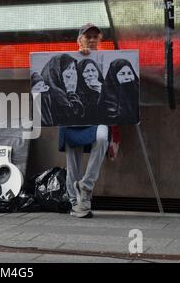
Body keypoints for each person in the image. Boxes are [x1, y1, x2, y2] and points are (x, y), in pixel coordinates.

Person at [58, 23, 109, 218]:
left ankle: (85, 186)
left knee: (103, 138)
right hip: (72, 117)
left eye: (96, 36)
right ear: (79, 40)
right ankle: (77, 203)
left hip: (97, 118)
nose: (92, 40)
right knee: (73, 161)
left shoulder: (104, 64)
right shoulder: (70, 64)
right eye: (88, 36)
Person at [41, 54, 84, 126]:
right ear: (57, 72)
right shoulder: (46, 96)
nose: (72, 73)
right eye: (67, 68)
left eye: (74, 68)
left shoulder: (79, 93)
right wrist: (71, 93)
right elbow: (69, 117)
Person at [99, 59, 139, 124]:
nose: (127, 77)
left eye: (129, 73)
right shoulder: (107, 97)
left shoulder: (137, 91)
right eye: (122, 74)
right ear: (113, 76)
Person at [77, 58, 104, 124]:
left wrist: (100, 90)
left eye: (93, 70)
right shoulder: (76, 93)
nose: (91, 74)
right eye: (86, 71)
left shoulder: (104, 87)